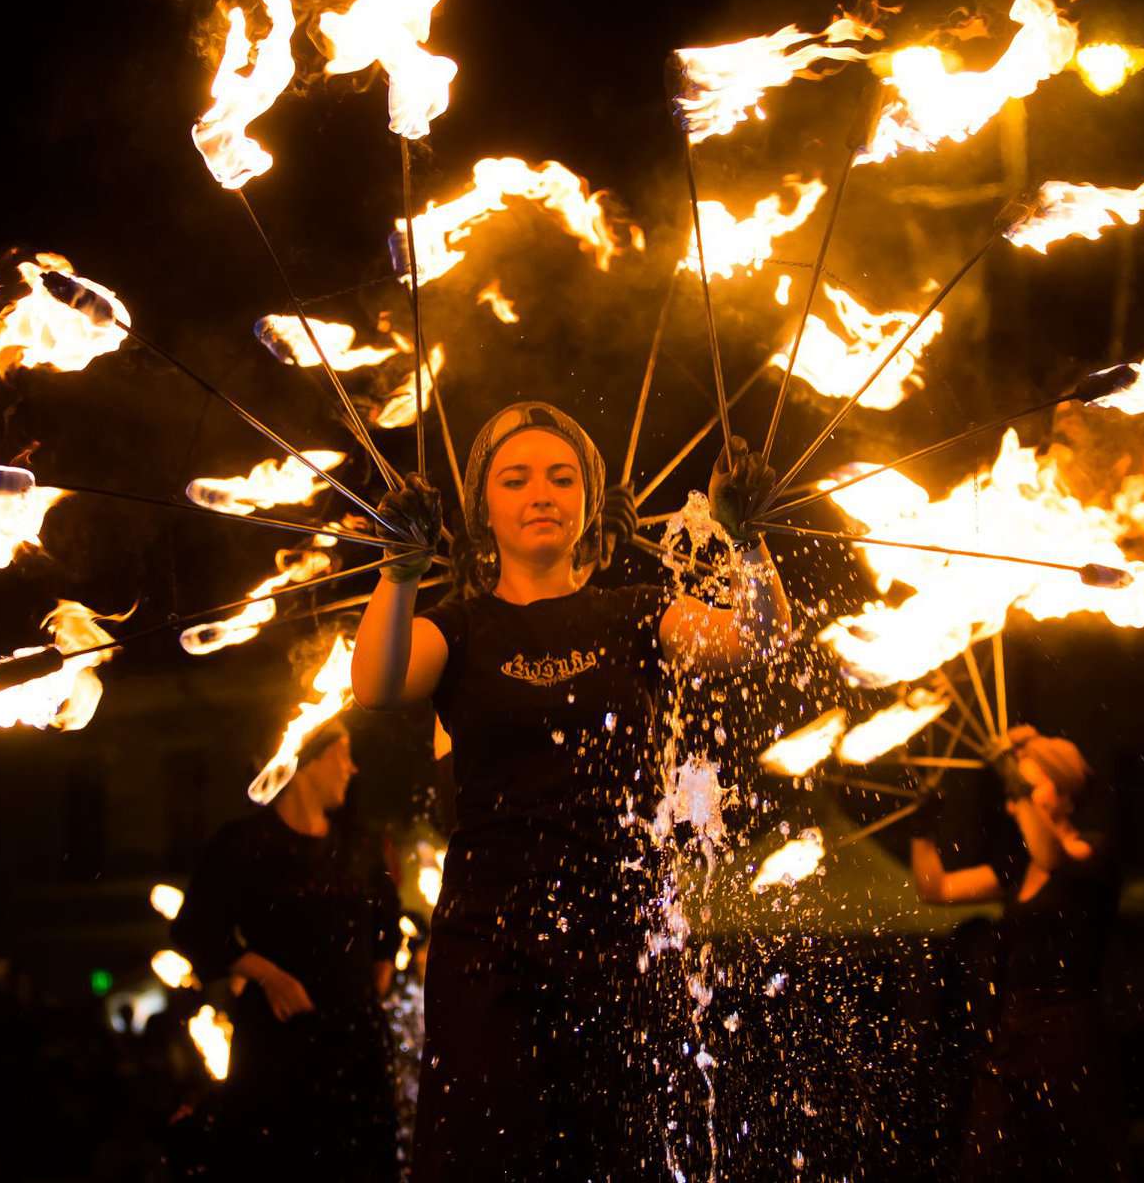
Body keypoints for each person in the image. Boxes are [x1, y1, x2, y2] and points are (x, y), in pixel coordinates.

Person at [352, 402, 791, 1181]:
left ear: (588, 500)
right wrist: (397, 572)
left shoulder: (637, 613)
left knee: (611, 1156)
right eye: (515, 479)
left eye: (561, 477)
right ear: (485, 507)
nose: (540, 493)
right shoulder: (457, 627)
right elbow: (379, 684)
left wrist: (748, 543)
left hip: (615, 931)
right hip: (488, 942)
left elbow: (755, 641)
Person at [168, 719, 402, 1181]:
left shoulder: (363, 847)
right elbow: (195, 930)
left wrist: (366, 994)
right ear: (308, 761)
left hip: (354, 1057)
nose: (352, 768)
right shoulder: (242, 845)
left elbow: (386, 934)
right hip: (277, 1057)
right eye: (343, 754)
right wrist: (267, 974)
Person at [909, 724, 1126, 1180]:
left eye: (1028, 784)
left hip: (1068, 1037)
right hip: (1013, 1035)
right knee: (986, 1162)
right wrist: (923, 828)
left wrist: (1014, 775)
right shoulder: (1017, 866)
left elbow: (1052, 857)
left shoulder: (1095, 853)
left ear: (1066, 793)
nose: (1015, 796)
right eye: (1014, 784)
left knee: (1067, 1164)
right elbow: (937, 888)